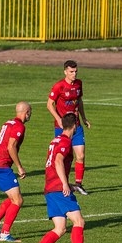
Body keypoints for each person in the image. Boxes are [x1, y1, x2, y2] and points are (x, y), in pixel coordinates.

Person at [26, 113, 98, 243]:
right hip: (58, 189)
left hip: (50, 188)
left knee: (60, 228)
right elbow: (58, 161)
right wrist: (65, 184)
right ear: (75, 126)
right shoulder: (65, 141)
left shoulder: (55, 140)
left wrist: (67, 183)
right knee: (79, 221)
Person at [0, 102, 32, 243]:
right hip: (1, 167)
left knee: (12, 198)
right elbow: (11, 146)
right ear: (26, 112)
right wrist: (19, 167)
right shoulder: (19, 126)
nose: (30, 115)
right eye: (30, 112)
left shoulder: (8, 123)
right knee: (18, 200)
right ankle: (5, 234)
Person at [47, 60, 90, 195]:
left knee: (81, 155)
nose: (74, 74)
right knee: (63, 157)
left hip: (76, 126)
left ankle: (78, 184)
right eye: (71, 72)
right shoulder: (59, 86)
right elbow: (49, 104)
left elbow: (79, 101)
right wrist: (58, 119)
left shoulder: (79, 84)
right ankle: (61, 183)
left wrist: (84, 118)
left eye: (76, 71)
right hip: (62, 128)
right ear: (65, 71)